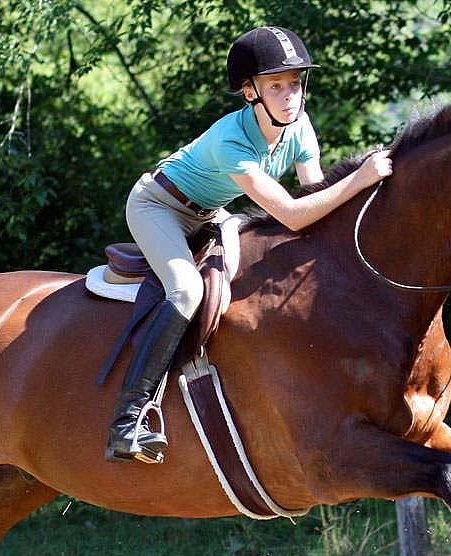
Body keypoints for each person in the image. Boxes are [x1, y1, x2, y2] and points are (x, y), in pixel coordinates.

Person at [110, 26, 393, 463]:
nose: (289, 96)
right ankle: (128, 421)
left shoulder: (299, 128)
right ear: (250, 93)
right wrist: (362, 175)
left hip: (209, 212)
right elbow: (294, 214)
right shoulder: (231, 140)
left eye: (295, 84)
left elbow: (312, 198)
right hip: (159, 206)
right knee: (186, 290)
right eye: (275, 86)